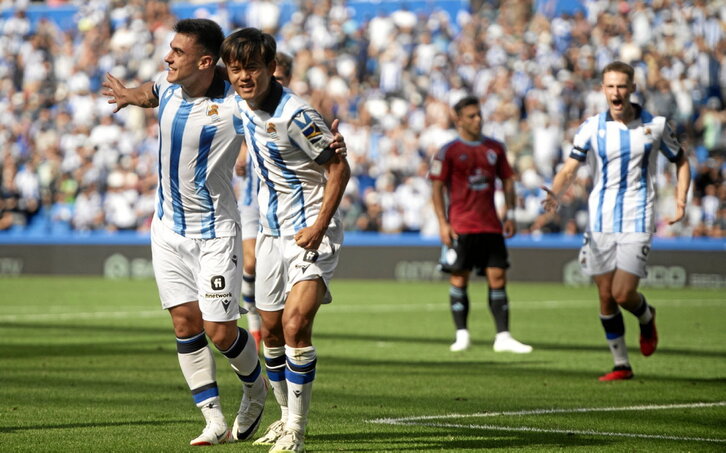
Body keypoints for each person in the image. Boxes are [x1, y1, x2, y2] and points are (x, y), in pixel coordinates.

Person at [101, 19, 268, 445]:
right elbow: (150, 92)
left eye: (178, 52)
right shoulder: (169, 83)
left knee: (220, 331)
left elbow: (274, 120)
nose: (168, 57)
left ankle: (256, 386)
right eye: (170, 49)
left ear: (206, 62)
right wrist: (127, 97)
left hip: (215, 232)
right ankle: (212, 418)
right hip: (167, 229)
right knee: (183, 323)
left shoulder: (236, 105)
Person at [221, 28, 350, 453]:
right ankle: (281, 418)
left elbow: (338, 170)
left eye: (252, 68)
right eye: (236, 69)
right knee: (271, 332)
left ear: (272, 68)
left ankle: (296, 428)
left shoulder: (297, 115)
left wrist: (317, 227)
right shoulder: (240, 104)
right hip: (273, 235)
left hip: (312, 231)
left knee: (296, 325)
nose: (243, 77)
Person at [542, 61, 691, 381]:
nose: (616, 92)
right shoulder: (591, 127)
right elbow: (570, 168)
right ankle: (621, 364)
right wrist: (555, 191)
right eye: (610, 86)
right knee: (606, 295)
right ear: (603, 90)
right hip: (599, 220)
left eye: (621, 86)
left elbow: (680, 160)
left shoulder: (655, 125)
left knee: (624, 294)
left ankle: (647, 316)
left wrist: (680, 200)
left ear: (633, 88)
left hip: (638, 216)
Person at [430, 95, 533, 354]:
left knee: (498, 276)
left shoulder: (495, 148)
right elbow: (437, 187)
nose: (478, 120)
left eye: (479, 115)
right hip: (461, 225)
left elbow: (508, 180)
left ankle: (503, 336)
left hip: (490, 225)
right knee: (459, 277)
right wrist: (443, 223)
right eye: (472, 116)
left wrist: (509, 213)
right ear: (459, 120)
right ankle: (462, 334)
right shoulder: (449, 151)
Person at [235, 51, 295, 352]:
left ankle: (276, 326)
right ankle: (255, 328)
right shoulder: (247, 105)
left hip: (283, 205)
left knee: (278, 276)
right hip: (251, 201)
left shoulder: (293, 111)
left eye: (280, 78)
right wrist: (241, 153)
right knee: (250, 261)